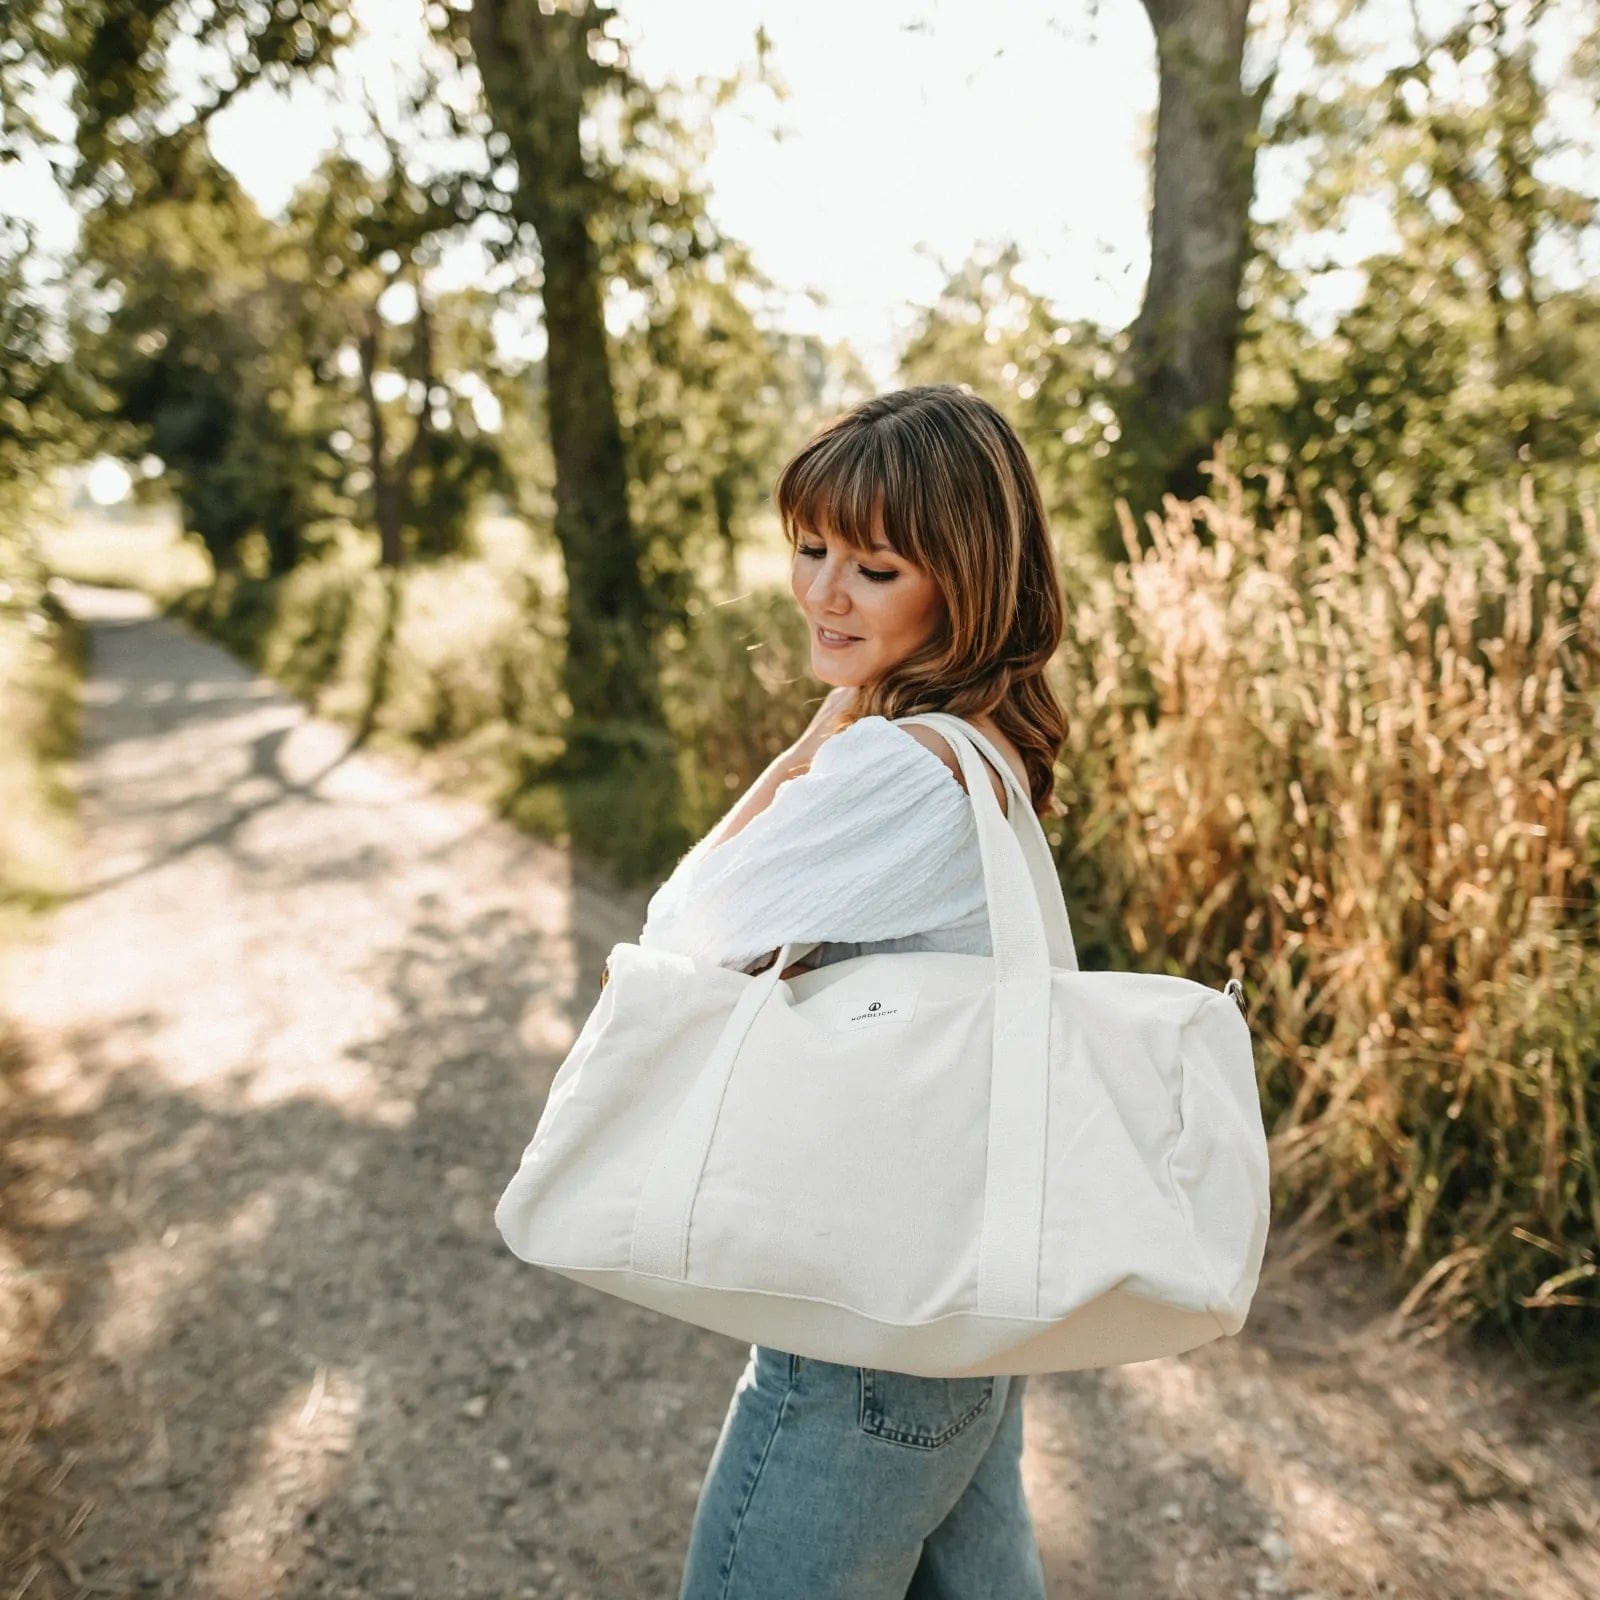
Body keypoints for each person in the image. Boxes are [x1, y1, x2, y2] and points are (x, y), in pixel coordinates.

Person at [639, 383, 1066, 1600]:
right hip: (958, 1296)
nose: (823, 591)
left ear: (964, 581)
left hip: (872, 1317)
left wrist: (810, 743)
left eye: (873, 567)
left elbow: (684, 932)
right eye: (811, 548)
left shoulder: (898, 763)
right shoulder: (980, 742)